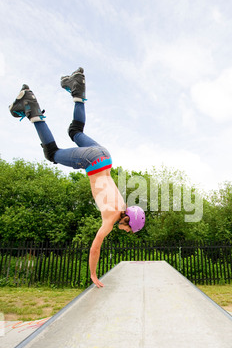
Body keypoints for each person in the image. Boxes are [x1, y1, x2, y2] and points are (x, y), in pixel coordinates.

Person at [9, 67, 145, 288]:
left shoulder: (121, 203)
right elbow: (95, 247)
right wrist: (93, 275)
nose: (126, 232)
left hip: (105, 156)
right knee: (52, 153)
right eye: (129, 230)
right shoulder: (111, 219)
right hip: (93, 162)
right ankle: (29, 105)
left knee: (75, 131)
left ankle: (77, 86)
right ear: (128, 221)